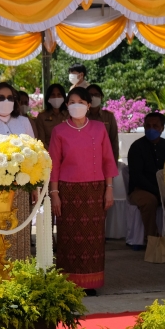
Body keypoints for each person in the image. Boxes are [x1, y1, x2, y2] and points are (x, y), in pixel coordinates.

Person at [49, 87, 117, 295]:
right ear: (66, 106)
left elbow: (107, 160)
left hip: (95, 190)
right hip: (67, 191)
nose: (75, 105)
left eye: (80, 101)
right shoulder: (59, 131)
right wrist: (55, 194)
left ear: (89, 105)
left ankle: (90, 283)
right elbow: (54, 165)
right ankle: (68, 283)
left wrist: (109, 189)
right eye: (71, 102)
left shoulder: (99, 128)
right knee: (68, 238)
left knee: (93, 239)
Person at [0, 82, 35, 262]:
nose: (6, 101)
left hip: (21, 188)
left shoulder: (23, 121)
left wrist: (34, 188)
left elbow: (32, 154)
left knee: (20, 230)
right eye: (1, 98)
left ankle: (21, 272)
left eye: (10, 98)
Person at [127, 112, 165, 241]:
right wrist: (158, 191)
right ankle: (152, 240)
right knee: (149, 201)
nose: (151, 129)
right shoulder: (137, 147)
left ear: (162, 128)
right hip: (141, 190)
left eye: (155, 126)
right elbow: (137, 177)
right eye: (148, 126)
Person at [86, 84, 119, 161]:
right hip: (86, 158)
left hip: (104, 159)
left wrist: (114, 163)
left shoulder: (109, 116)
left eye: (96, 94)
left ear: (101, 97)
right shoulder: (81, 116)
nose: (93, 97)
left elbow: (114, 141)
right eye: (90, 95)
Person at [35, 83, 67, 149]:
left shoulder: (70, 115)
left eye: (59, 95)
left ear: (63, 97)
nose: (56, 97)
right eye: (53, 95)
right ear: (48, 98)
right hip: (49, 154)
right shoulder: (42, 117)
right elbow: (41, 141)